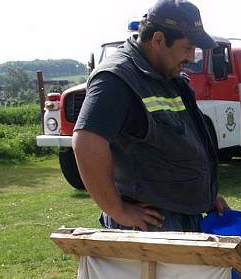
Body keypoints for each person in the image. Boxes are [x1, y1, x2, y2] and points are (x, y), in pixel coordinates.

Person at [72, 0, 228, 232]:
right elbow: (86, 143)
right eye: (187, 47)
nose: (192, 57)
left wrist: (205, 194)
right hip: (151, 227)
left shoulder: (168, 75)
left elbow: (181, 143)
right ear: (158, 40)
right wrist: (118, 210)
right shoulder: (116, 78)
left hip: (182, 217)